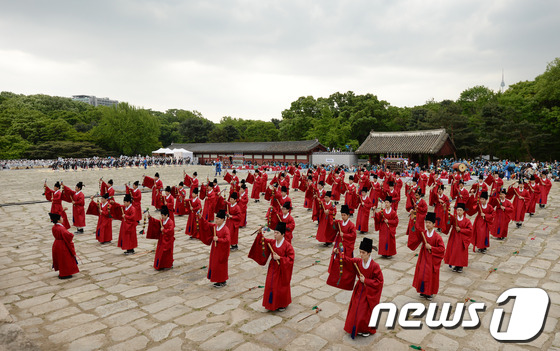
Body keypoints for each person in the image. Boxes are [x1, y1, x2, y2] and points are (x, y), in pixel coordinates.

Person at [248, 222, 295, 312]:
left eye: (277, 233)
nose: (275, 235)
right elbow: (263, 241)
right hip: (273, 267)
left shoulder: (288, 246)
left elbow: (291, 259)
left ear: (282, 234)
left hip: (282, 269)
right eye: (274, 232)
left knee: (280, 287)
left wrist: (280, 258)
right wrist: (260, 232)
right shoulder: (273, 242)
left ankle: (282, 304)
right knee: (271, 285)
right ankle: (270, 303)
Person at [343, 237, 383, 338]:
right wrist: (339, 254)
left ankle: (366, 329)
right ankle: (355, 327)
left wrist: (366, 281)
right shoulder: (358, 262)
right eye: (360, 252)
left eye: (363, 252)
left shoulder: (375, 266)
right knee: (356, 308)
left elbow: (379, 282)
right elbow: (348, 261)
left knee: (364, 311)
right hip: (359, 289)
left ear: (369, 253)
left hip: (368, 291)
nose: (361, 254)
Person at [407, 212, 445, 300]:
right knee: (421, 273)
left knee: (429, 275)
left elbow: (442, 249)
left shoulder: (437, 237)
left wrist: (431, 247)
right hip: (423, 256)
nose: (427, 224)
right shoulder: (423, 233)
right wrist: (412, 220)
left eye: (430, 223)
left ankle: (429, 292)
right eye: (426, 222)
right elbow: (415, 234)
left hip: (432, 258)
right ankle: (422, 290)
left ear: (434, 224)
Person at [327, 205, 357, 290]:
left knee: (345, 260)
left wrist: (345, 235)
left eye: (344, 215)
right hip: (339, 242)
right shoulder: (340, 223)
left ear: (348, 215)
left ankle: (346, 277)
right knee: (337, 258)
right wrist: (332, 217)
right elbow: (333, 224)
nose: (343, 216)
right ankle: (336, 275)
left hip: (347, 245)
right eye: (342, 215)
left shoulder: (351, 225)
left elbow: (353, 235)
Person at [198, 209, 230, 288]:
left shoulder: (226, 229)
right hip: (215, 249)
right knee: (215, 265)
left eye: (218, 219)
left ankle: (222, 280)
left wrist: (218, 239)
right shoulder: (215, 226)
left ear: (222, 219)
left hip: (221, 251)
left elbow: (228, 240)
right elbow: (207, 224)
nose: (216, 220)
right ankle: (217, 279)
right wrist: (201, 218)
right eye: (216, 218)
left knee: (220, 265)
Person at [442, 203, 472, 273]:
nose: (459, 212)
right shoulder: (454, 218)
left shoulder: (467, 221)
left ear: (463, 211)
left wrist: (461, 230)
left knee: (460, 252)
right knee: (455, 251)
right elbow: (448, 217)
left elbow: (470, 230)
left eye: (460, 210)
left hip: (462, 238)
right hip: (454, 237)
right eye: (457, 210)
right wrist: (445, 210)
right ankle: (455, 265)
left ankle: (460, 266)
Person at [50, 212, 79, 279]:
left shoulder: (54, 227)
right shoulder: (61, 228)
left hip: (56, 243)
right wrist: (71, 234)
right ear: (58, 220)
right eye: (61, 218)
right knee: (65, 259)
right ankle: (65, 273)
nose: (62, 218)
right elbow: (68, 235)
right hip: (62, 244)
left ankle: (63, 272)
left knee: (60, 259)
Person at [151, 205, 175, 270]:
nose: (162, 217)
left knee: (167, 253)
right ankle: (161, 265)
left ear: (167, 215)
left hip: (168, 240)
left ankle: (168, 264)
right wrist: (151, 218)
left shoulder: (170, 222)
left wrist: (164, 230)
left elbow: (171, 231)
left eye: (163, 215)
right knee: (160, 252)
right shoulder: (163, 220)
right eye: (161, 215)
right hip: (162, 239)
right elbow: (157, 222)